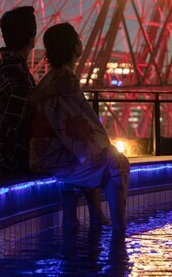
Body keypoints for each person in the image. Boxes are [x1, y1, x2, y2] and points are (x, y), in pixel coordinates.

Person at [29, 23, 130, 231]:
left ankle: (89, 221)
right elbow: (78, 127)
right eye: (78, 37)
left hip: (47, 156)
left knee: (98, 159)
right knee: (117, 162)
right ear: (75, 47)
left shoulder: (52, 78)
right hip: (56, 162)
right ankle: (119, 230)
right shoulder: (66, 80)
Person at [0, 6, 37, 173]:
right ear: (31, 38)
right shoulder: (16, 72)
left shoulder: (3, 67)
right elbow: (11, 127)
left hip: (1, 156)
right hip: (15, 159)